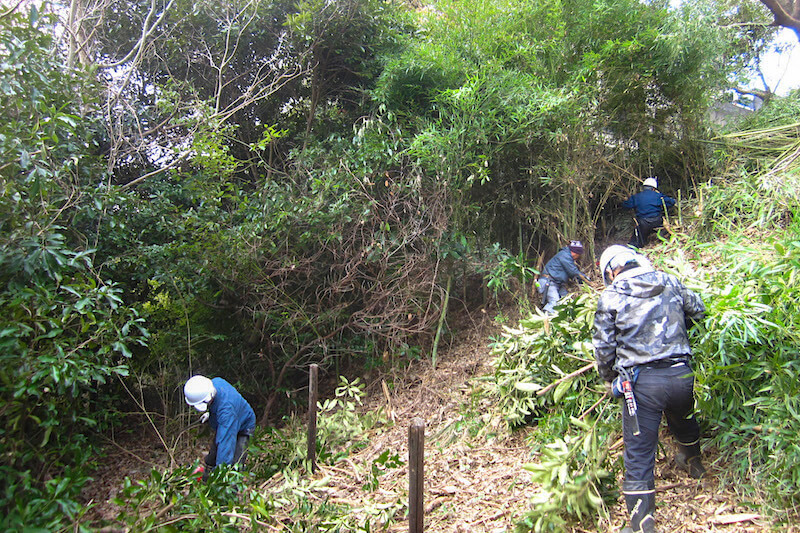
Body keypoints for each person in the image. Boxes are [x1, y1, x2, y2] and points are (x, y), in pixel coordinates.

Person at [593, 245, 707, 533]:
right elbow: (698, 310)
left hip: (642, 385)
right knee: (683, 418)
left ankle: (642, 524)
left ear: (611, 271)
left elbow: (604, 347)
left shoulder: (611, 296)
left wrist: (609, 378)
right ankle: (694, 462)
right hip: (682, 374)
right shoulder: (669, 280)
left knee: (639, 452)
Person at [184, 375, 256, 480]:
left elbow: (225, 444)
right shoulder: (215, 383)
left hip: (244, 427)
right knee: (211, 459)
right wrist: (211, 413)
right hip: (230, 416)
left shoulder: (226, 413)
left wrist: (221, 471)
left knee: (233, 467)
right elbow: (219, 403)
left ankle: (227, 489)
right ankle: (208, 477)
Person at [536, 240, 591, 314]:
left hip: (557, 283)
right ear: (575, 253)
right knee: (555, 302)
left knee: (566, 300)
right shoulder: (565, 256)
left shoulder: (566, 255)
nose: (578, 257)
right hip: (549, 282)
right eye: (579, 255)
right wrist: (588, 281)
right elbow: (574, 272)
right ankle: (545, 319)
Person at [622, 177, 676, 248]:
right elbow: (672, 202)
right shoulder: (658, 196)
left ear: (643, 187)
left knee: (637, 240)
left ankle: (636, 247)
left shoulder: (636, 197)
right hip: (657, 221)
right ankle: (662, 241)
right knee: (663, 229)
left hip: (643, 223)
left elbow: (626, 205)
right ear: (654, 188)